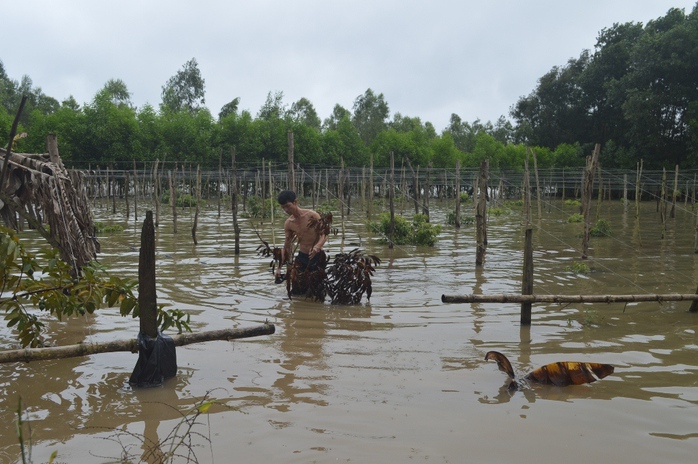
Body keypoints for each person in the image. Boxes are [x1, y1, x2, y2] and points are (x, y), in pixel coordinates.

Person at [275, 190, 328, 284]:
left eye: (288, 206)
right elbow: (287, 245)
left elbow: (324, 234)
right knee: (297, 290)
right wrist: (279, 267)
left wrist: (317, 247)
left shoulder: (312, 215)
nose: (286, 210)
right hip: (302, 257)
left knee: (317, 288)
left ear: (295, 202)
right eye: (283, 208)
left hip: (317, 256)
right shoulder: (289, 223)